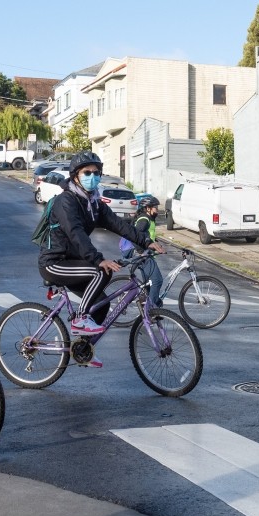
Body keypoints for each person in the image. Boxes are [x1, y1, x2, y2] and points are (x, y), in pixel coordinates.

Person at [37, 152, 164, 363]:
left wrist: (146, 241)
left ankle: (83, 350)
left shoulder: (94, 202)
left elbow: (119, 224)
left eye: (97, 173)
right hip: (54, 263)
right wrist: (97, 259)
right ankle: (79, 319)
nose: (93, 177)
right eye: (87, 172)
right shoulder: (66, 201)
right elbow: (75, 233)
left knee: (103, 304)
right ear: (75, 175)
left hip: (75, 262)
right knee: (100, 270)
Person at [120, 195, 164, 308]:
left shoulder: (148, 219)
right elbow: (136, 235)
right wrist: (141, 252)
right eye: (155, 207)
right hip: (142, 254)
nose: (157, 210)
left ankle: (146, 304)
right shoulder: (144, 219)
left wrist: (156, 243)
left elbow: (147, 235)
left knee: (148, 283)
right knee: (157, 280)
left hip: (144, 253)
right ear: (148, 208)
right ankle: (151, 309)